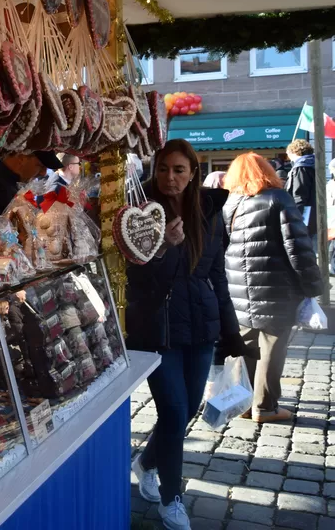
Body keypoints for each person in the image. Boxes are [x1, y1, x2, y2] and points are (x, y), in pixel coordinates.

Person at [126, 139, 247, 530]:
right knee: (174, 412)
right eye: (163, 169)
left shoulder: (209, 211)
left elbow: (217, 276)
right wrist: (164, 247)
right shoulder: (140, 213)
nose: (170, 177)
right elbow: (139, 281)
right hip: (157, 329)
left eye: (179, 170)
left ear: (193, 173)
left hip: (200, 327)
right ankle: (172, 498)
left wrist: (231, 333)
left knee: (188, 408)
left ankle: (146, 462)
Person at [223, 153, 324, 423]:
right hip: (276, 289)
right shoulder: (278, 199)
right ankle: (265, 407)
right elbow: (299, 248)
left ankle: (243, 403)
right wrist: (313, 285)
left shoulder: (230, 203)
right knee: (271, 347)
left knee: (246, 347)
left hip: (238, 290)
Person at [285, 139, 317, 247]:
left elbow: (299, 195)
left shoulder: (301, 167)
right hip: (313, 213)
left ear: (293, 152)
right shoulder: (313, 164)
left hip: (304, 214)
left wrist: (295, 217)